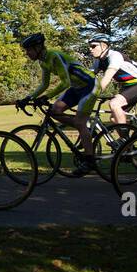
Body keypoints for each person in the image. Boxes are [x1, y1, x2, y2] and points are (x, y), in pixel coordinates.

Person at [16, 33, 98, 174]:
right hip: (76, 87)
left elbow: (65, 82)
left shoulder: (54, 56)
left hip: (90, 85)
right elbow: (44, 84)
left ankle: (89, 161)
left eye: (29, 50)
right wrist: (28, 97)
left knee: (79, 122)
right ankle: (86, 129)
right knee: (54, 111)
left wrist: (47, 96)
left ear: (38, 47)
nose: (27, 53)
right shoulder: (43, 62)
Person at [87, 35, 137, 125]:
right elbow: (87, 77)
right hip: (128, 87)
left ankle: (127, 135)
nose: (90, 49)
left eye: (93, 46)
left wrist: (92, 95)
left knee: (114, 103)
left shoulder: (114, 56)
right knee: (115, 119)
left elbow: (106, 78)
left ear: (103, 46)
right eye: (90, 47)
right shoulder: (98, 61)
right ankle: (129, 138)